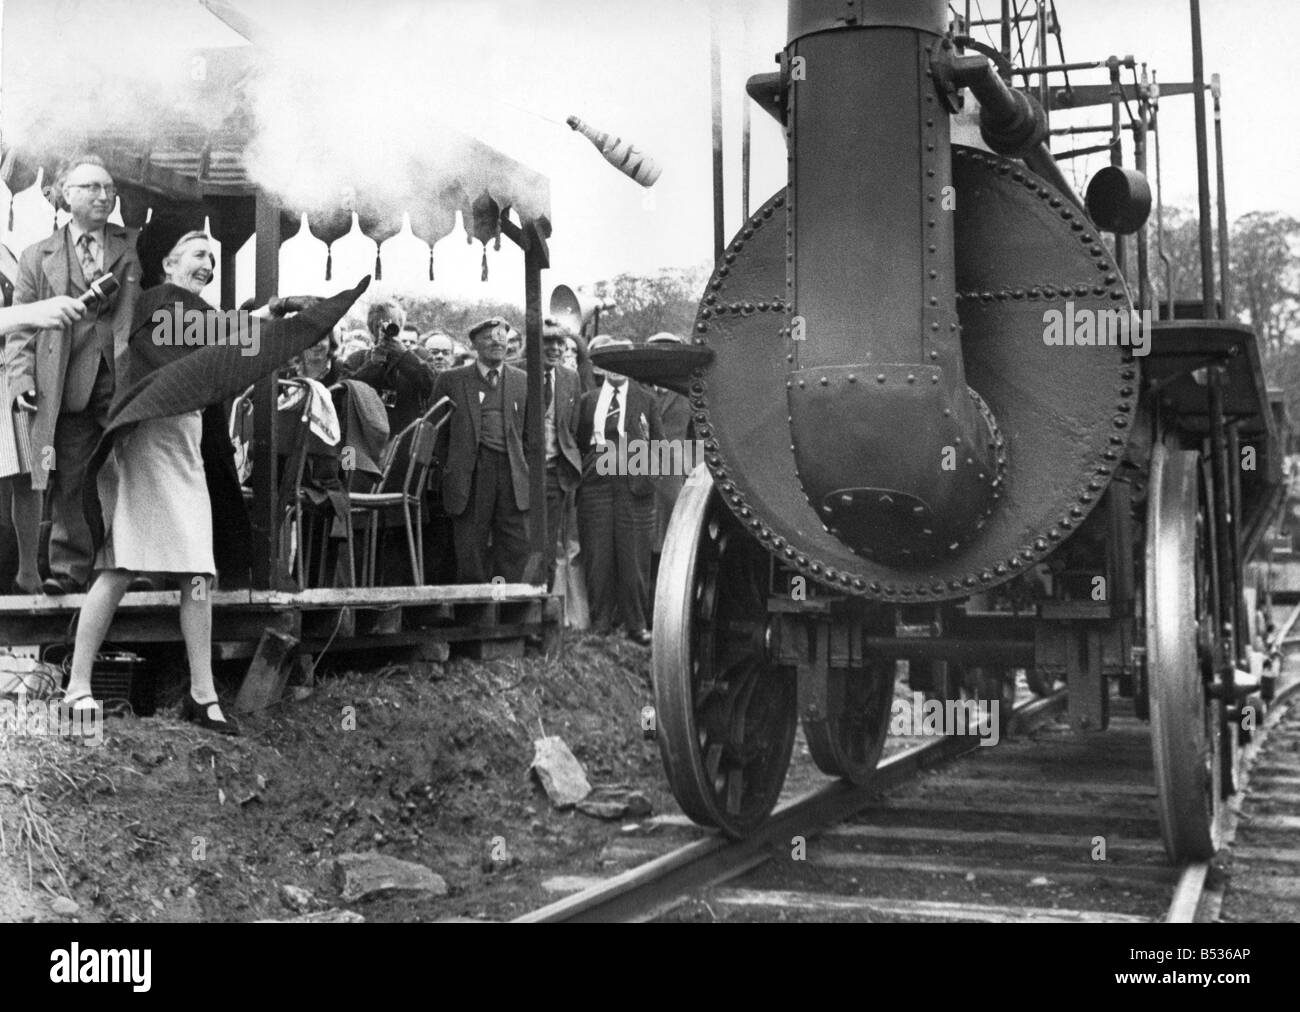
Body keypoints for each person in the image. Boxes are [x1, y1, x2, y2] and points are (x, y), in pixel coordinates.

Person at [61, 232, 239, 733]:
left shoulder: (199, 316)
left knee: (197, 573)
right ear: (169, 262)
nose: (208, 264)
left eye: (214, 259)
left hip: (184, 442)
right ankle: (77, 686)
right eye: (200, 254)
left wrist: (275, 315)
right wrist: (261, 322)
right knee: (123, 563)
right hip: (148, 439)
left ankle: (202, 694)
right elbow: (222, 342)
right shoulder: (162, 305)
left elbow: (239, 340)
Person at [6, 154, 142, 594]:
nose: (104, 196)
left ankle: (133, 563)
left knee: (132, 473)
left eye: (108, 188)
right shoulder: (36, 256)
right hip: (64, 382)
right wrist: (21, 380)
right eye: (92, 188)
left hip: (123, 379)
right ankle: (69, 570)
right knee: (69, 478)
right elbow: (21, 324)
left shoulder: (136, 244)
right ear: (67, 195)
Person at [431, 317, 531, 583]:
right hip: (471, 474)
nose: (497, 342)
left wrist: (526, 471)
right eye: (489, 337)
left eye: (502, 337)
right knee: (471, 549)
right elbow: (436, 433)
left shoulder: (523, 381)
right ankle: (477, 616)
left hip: (511, 473)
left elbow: (531, 436)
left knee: (515, 545)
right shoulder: (451, 380)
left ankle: (506, 612)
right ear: (474, 343)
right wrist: (448, 472)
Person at [1, 296, 91, 593]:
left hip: (12, 372)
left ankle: (27, 573)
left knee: (27, 473)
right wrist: (34, 313)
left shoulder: (11, 259)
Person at [576, 336, 663, 645]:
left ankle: (636, 624)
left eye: (622, 364)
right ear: (601, 366)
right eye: (609, 363)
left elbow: (659, 447)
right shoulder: (588, 400)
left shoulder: (646, 399)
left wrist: (644, 476)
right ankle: (600, 622)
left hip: (633, 484)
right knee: (598, 554)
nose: (616, 370)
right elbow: (577, 440)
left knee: (634, 557)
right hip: (597, 484)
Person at [645, 332, 694, 584]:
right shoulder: (638, 388)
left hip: (675, 477)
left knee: (674, 541)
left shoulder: (690, 393)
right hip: (640, 472)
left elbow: (697, 437)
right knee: (642, 541)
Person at [541, 318, 583, 589]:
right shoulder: (517, 373)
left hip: (555, 473)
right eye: (548, 342)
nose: (555, 348)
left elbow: (573, 426)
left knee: (548, 545)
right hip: (523, 474)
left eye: (560, 343)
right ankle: (517, 609)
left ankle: (544, 612)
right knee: (521, 544)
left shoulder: (570, 378)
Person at [349, 298, 434, 435]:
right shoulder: (357, 359)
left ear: (400, 327)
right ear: (371, 329)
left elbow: (432, 385)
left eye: (392, 325)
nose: (386, 330)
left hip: (406, 435)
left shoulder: (419, 357)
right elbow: (348, 392)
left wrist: (404, 355)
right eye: (379, 326)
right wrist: (373, 362)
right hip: (368, 438)